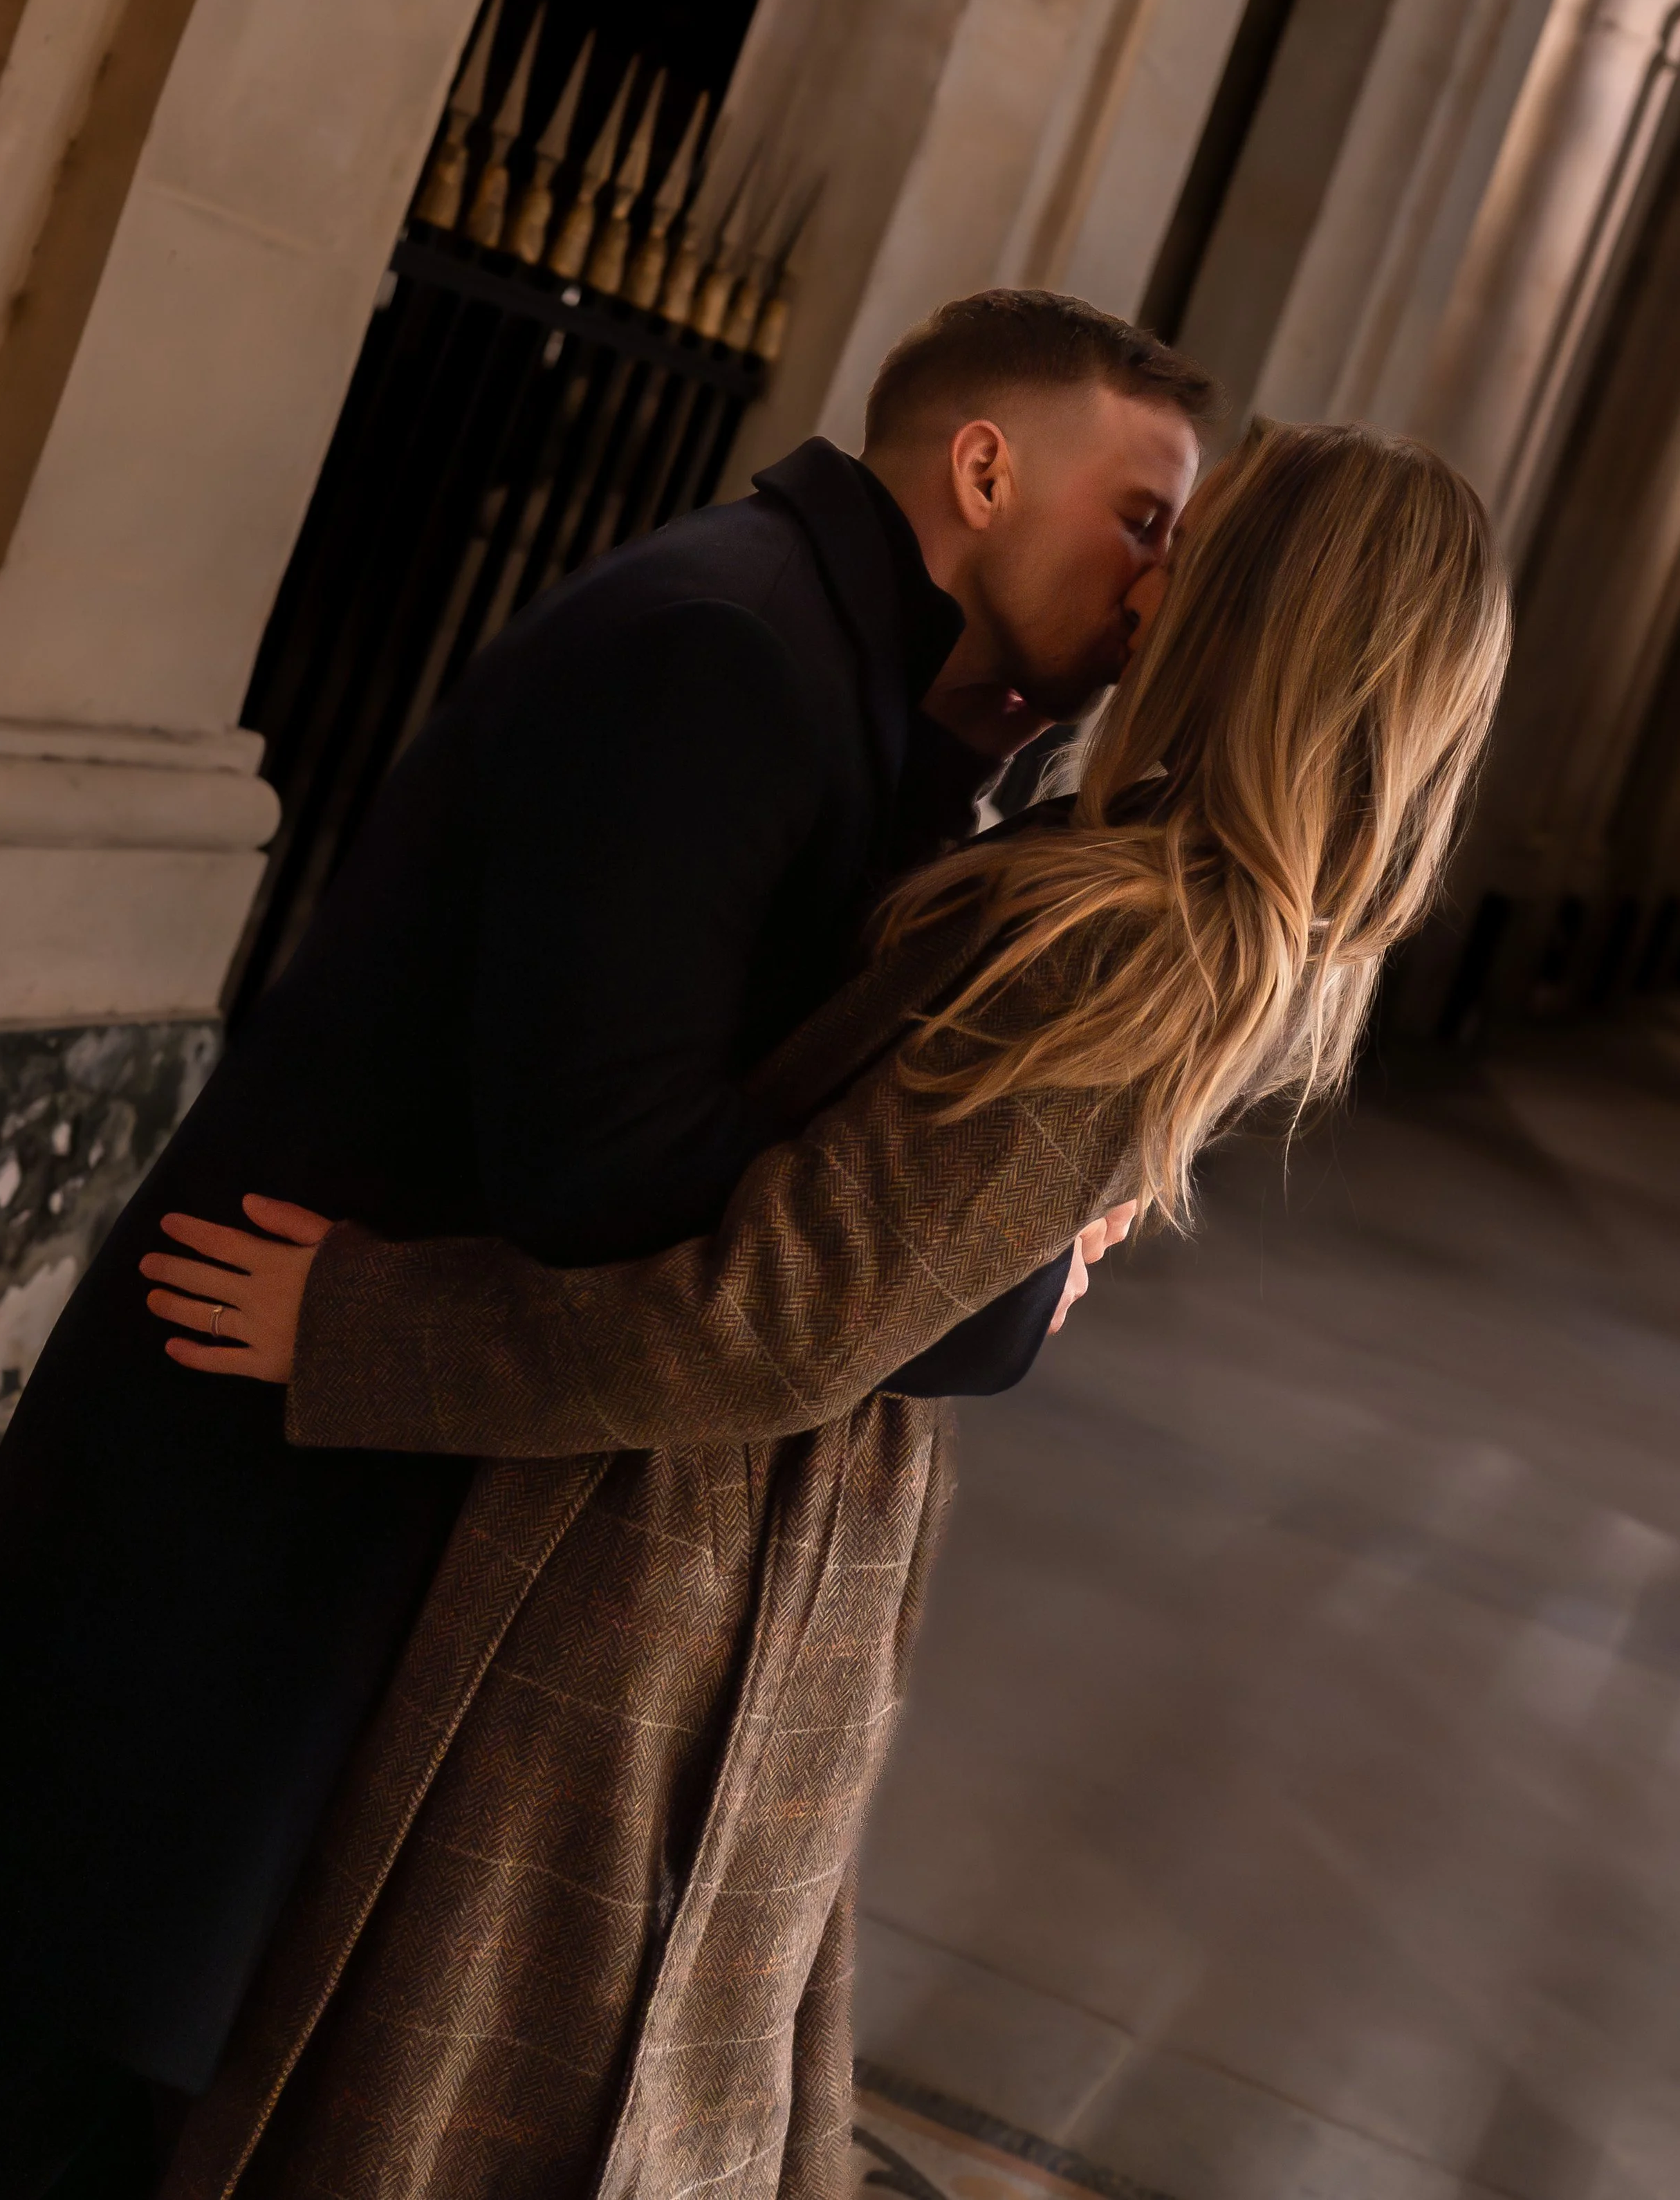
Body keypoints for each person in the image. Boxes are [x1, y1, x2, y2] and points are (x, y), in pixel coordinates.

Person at [140, 418, 1511, 2200]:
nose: (1150, 575)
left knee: (478, 2105)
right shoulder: (1157, 889)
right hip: (749, 1534)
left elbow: (776, 1317)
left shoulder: (1137, 930)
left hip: (696, 1543)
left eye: (1198, 543)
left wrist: (363, 1328)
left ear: (1266, 613)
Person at [0, 289, 1212, 2198]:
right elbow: (607, 1172)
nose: (1158, 590)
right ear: (983, 469)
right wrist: (970, 1254)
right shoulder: (724, 653)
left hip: (347, 1475)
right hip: (255, 1485)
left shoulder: (835, 672)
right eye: (1142, 519)